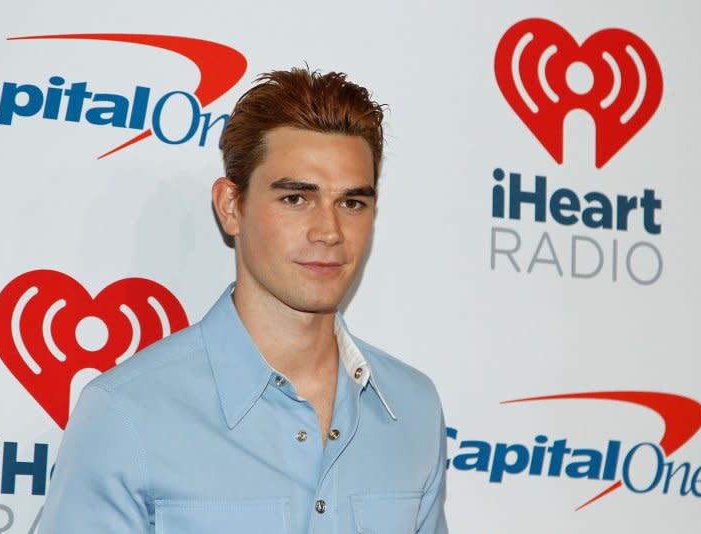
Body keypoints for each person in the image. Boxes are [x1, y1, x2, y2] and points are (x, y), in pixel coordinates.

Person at [39, 67, 448, 534]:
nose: (330, 232)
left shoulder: (413, 408)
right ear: (231, 206)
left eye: (352, 203)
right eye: (296, 198)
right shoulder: (127, 412)